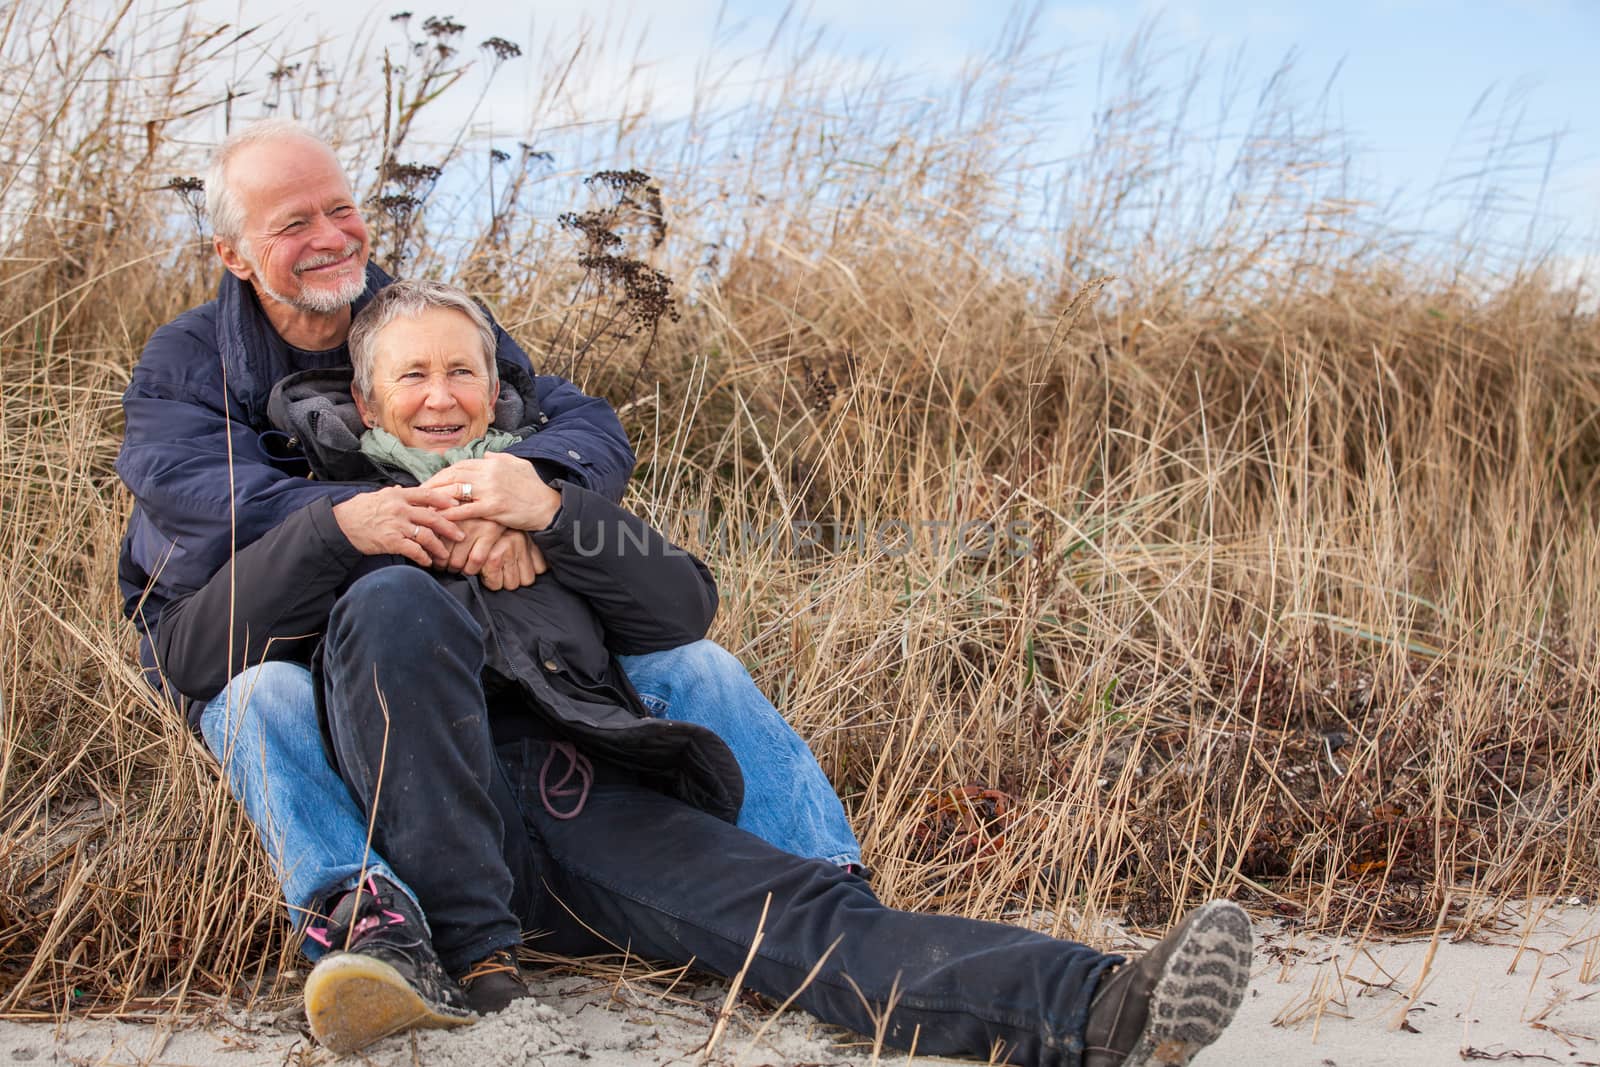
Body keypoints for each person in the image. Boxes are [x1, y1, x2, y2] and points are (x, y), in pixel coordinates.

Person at [155, 277, 1254, 1065]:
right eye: (412, 375)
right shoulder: (321, 509)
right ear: (364, 401)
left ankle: (1099, 1005)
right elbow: (197, 658)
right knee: (393, 600)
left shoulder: (540, 493)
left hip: (576, 794)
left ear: (495, 390)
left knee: (800, 921)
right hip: (415, 819)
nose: (440, 395)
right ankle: (473, 953)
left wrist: (554, 512)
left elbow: (681, 602)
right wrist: (350, 536)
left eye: (463, 371)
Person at [114, 120, 860, 1001]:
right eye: (291, 224)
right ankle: (362, 913)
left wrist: (519, 501)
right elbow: (203, 495)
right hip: (259, 619)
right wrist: (366, 516)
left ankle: (833, 891)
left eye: (341, 209)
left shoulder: (423, 318)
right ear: (234, 255)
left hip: (443, 600)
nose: (329, 237)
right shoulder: (186, 360)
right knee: (260, 698)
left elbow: (575, 423)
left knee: (693, 657)